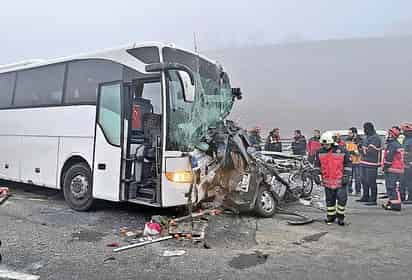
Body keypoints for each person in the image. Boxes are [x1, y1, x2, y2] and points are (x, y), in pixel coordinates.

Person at [314, 132, 351, 226]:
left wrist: (346, 176)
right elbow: (317, 165)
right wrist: (316, 175)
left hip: (340, 181)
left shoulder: (342, 151)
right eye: (324, 144)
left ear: (332, 142)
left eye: (327, 144)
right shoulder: (320, 152)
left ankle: (340, 217)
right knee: (330, 200)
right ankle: (330, 216)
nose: (326, 146)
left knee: (342, 200)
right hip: (327, 182)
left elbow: (348, 164)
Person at [357, 122, 382, 206]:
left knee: (371, 181)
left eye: (365, 129)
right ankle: (365, 196)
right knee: (363, 181)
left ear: (369, 129)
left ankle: (373, 199)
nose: (364, 130)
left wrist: (362, 149)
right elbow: (362, 149)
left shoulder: (376, 138)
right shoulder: (366, 137)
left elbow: (371, 151)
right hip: (363, 162)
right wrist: (360, 147)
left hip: (371, 164)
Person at [382, 127, 404, 211]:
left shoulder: (393, 145)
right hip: (396, 169)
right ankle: (392, 202)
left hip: (393, 169)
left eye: (389, 133)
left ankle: (396, 205)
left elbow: (389, 158)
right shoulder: (396, 143)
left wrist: (385, 167)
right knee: (392, 187)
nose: (387, 135)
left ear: (392, 135)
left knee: (392, 187)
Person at [346, 127, 362, 196]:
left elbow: (360, 151)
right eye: (348, 133)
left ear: (354, 133)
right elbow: (346, 149)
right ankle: (349, 190)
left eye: (350, 133)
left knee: (357, 177)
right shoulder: (347, 140)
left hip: (357, 162)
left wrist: (354, 152)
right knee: (349, 177)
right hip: (349, 161)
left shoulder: (360, 140)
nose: (348, 134)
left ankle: (358, 191)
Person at [401, 123, 412, 201]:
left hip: (409, 164)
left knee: (409, 182)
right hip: (403, 164)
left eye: (405, 131)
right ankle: (402, 197)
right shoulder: (405, 139)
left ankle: (410, 198)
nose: (403, 132)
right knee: (403, 181)